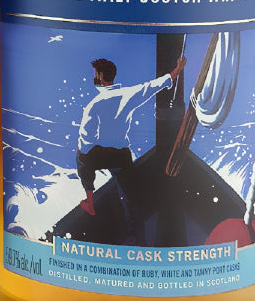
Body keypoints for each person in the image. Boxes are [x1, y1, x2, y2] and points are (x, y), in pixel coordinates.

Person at [76, 54, 186, 219]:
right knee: (130, 198)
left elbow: (86, 139)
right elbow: (151, 86)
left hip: (101, 155)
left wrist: (87, 155)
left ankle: (89, 202)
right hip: (121, 156)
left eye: (95, 75)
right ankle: (135, 223)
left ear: (100, 76)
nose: (94, 77)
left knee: (81, 156)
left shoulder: (94, 105)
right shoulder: (127, 94)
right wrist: (177, 70)